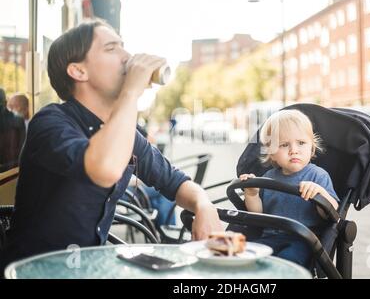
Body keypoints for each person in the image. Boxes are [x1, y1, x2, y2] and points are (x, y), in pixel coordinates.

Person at [0, 20, 222, 274]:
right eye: (111, 48)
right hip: (35, 270)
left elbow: (175, 182)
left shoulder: (125, 133)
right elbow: (102, 169)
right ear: (78, 71)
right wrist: (130, 94)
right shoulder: (50, 122)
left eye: (123, 47)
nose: (126, 56)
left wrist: (204, 204)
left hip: (91, 268)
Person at [239, 109, 339, 267]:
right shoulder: (267, 178)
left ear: (312, 147)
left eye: (301, 143)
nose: (294, 150)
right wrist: (252, 194)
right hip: (270, 236)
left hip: (303, 239)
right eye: (284, 145)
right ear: (271, 153)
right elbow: (257, 215)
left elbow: (333, 213)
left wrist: (319, 194)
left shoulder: (318, 176)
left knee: (286, 263)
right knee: (250, 260)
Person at [0, 88, 26, 173]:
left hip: (12, 170)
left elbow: (22, 149)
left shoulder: (18, 120)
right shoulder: (18, 120)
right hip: (13, 170)